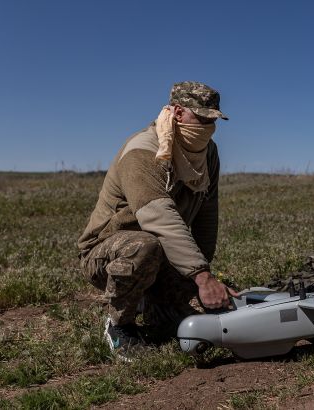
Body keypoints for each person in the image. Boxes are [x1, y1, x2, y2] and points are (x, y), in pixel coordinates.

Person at [77, 81, 237, 361]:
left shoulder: (207, 153)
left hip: (162, 252)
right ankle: (119, 325)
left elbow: (206, 214)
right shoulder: (143, 150)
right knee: (144, 246)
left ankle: (153, 302)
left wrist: (200, 278)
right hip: (109, 252)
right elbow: (158, 217)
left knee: (209, 315)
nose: (208, 126)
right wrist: (202, 276)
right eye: (200, 118)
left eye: (212, 120)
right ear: (177, 113)